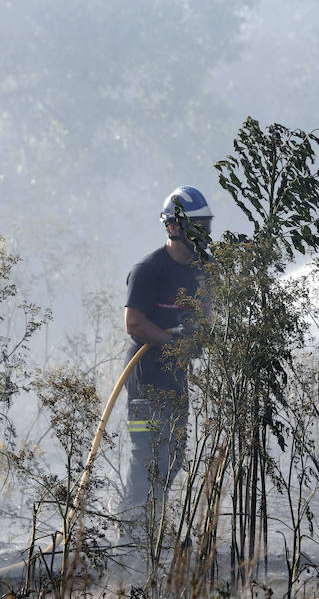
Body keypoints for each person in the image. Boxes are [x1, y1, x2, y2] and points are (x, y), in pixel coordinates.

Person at [120, 185, 213, 526]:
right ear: (173, 227)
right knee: (147, 457)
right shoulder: (148, 270)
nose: (203, 234)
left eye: (205, 226)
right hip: (146, 378)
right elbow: (134, 323)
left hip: (176, 379)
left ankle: (152, 532)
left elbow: (207, 317)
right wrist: (173, 342)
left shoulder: (202, 270)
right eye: (196, 227)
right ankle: (129, 537)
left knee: (172, 458)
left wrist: (202, 335)